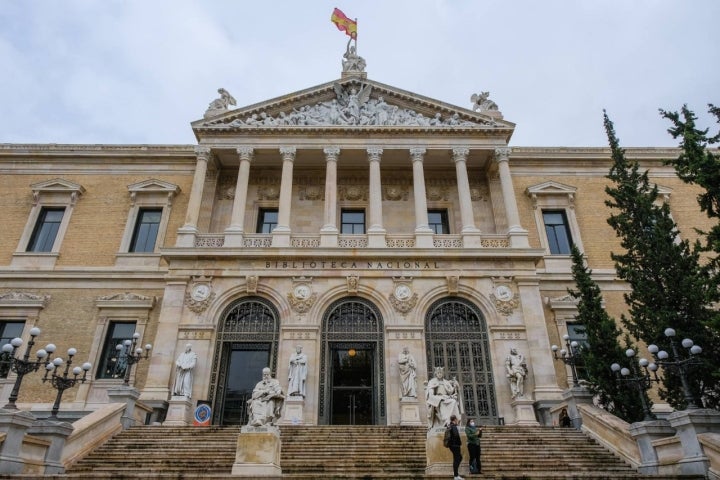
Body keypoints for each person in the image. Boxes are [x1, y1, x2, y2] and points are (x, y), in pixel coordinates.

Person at [447, 414, 463, 480]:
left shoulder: (450, 426)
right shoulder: (453, 426)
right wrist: (459, 443)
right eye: (456, 420)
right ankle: (456, 476)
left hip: (452, 445)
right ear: (455, 420)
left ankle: (455, 472)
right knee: (457, 459)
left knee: (457, 458)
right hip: (455, 445)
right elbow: (456, 435)